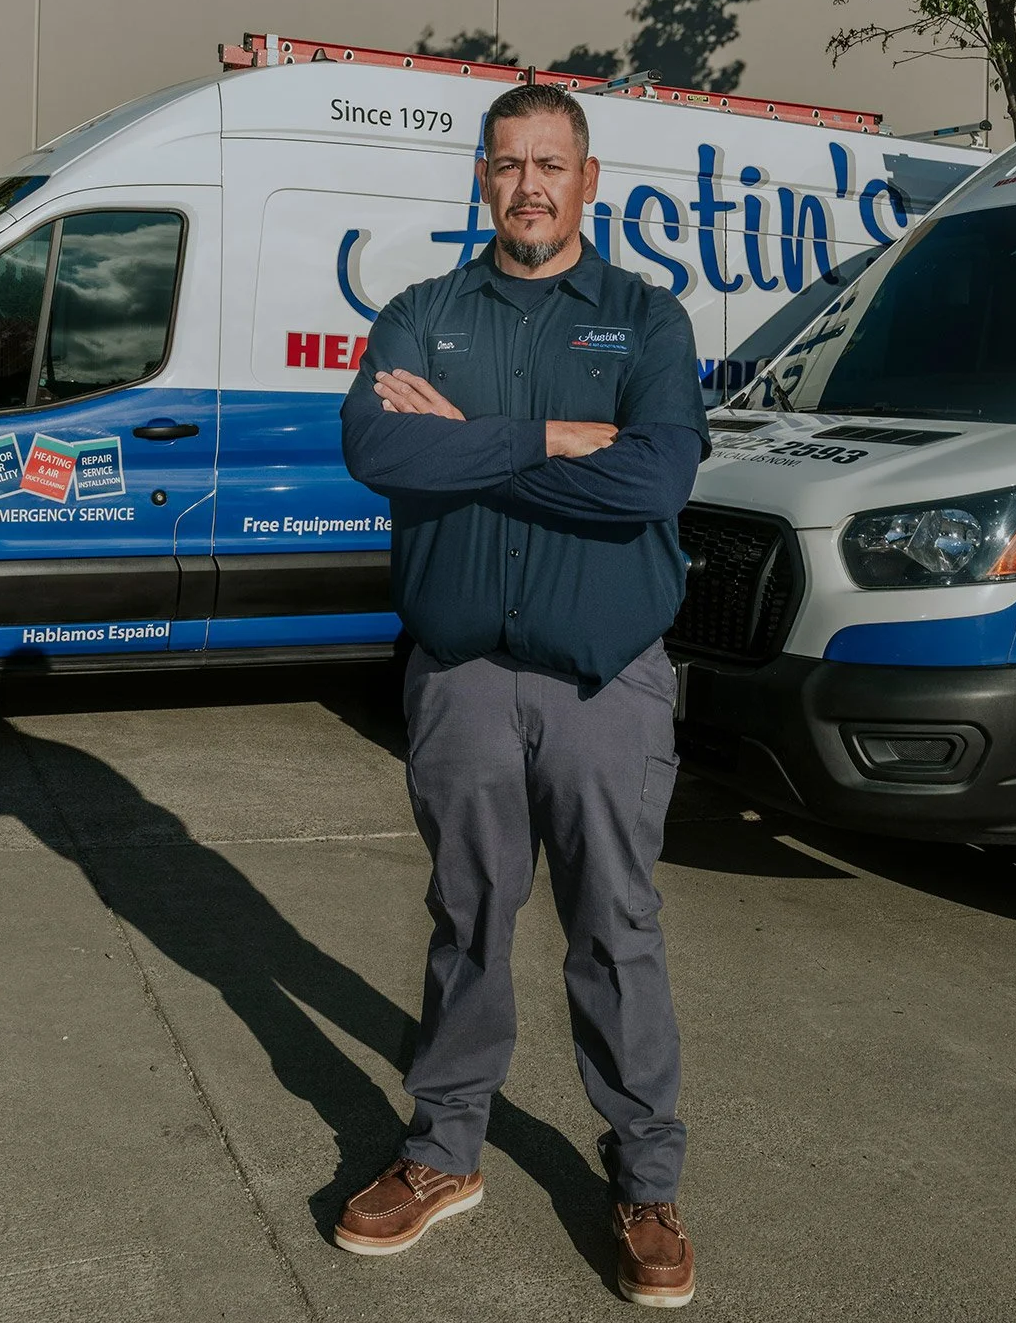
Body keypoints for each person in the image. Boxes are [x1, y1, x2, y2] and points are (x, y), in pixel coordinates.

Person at [337, 81, 709, 1307]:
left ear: (589, 181)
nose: (530, 187)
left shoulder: (646, 321)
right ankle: (445, 1152)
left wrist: (477, 444)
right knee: (467, 918)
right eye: (508, 165)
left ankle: (646, 1181)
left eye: (553, 165)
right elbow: (383, 452)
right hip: (463, 682)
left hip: (607, 685)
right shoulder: (421, 314)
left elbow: (653, 484)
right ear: (481, 178)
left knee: (616, 929)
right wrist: (553, 439)